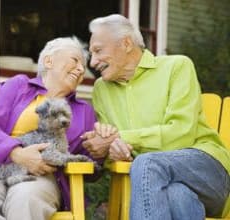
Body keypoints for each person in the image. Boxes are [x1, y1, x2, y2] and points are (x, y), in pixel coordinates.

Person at [83, 14, 230, 220]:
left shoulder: (177, 67)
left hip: (207, 171)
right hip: (161, 183)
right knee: (178, 197)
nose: (93, 61)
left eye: (98, 51)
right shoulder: (102, 89)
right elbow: (112, 145)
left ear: (126, 43)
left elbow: (182, 134)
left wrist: (123, 138)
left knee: (146, 163)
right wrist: (114, 152)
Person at [0, 37, 104, 220]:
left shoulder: (83, 111)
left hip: (41, 174)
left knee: (26, 201)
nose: (82, 69)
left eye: (83, 65)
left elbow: (90, 168)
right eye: (75, 60)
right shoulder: (19, 86)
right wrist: (16, 153)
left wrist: (100, 150)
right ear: (49, 61)